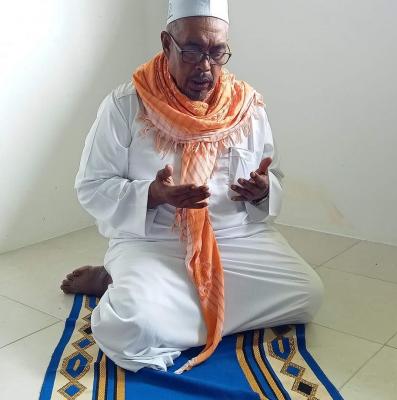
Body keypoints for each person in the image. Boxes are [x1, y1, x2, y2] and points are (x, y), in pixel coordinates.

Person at [61, 0, 324, 373]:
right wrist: (152, 195)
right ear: (166, 43)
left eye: (217, 52)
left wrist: (263, 191)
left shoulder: (248, 107)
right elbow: (92, 185)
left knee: (307, 293)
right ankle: (119, 279)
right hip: (154, 243)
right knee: (129, 326)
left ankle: (163, 303)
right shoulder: (125, 105)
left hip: (236, 239)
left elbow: (273, 176)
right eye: (192, 50)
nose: (205, 66)